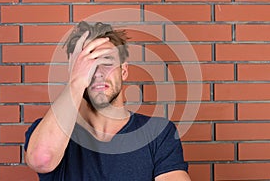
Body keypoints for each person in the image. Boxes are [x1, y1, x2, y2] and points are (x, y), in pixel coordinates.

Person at [24, 21, 191, 181]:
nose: (98, 73)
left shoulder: (157, 133)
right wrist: (76, 82)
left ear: (123, 71)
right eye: (87, 64)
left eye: (106, 62)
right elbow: (42, 159)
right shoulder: (51, 130)